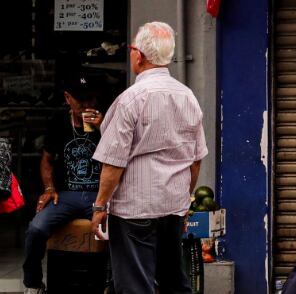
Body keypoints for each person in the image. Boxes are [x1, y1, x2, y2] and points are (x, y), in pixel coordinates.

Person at [91, 22, 208, 294]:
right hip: (173, 207)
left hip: (135, 209)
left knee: (135, 285)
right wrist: (184, 197)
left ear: (139, 55)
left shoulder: (130, 99)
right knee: (173, 280)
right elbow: (196, 158)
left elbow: (113, 163)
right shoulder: (187, 96)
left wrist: (99, 207)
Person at [23, 75, 105, 294]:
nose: (88, 105)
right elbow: (47, 160)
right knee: (36, 228)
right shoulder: (59, 122)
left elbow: (119, 156)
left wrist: (103, 127)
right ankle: (33, 283)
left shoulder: (107, 121)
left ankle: (112, 283)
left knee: (119, 231)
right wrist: (49, 188)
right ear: (68, 98)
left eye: (91, 99)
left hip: (100, 194)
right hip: (67, 195)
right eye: (81, 100)